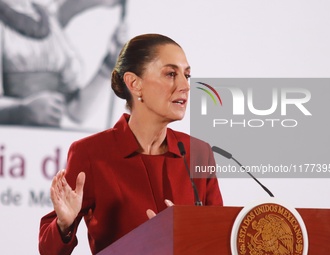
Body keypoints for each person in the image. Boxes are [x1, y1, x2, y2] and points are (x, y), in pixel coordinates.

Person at [38, 33, 223, 255]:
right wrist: (64, 225)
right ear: (134, 84)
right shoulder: (90, 153)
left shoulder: (199, 153)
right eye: (171, 74)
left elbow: (220, 241)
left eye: (187, 75)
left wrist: (188, 236)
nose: (185, 85)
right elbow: (49, 250)